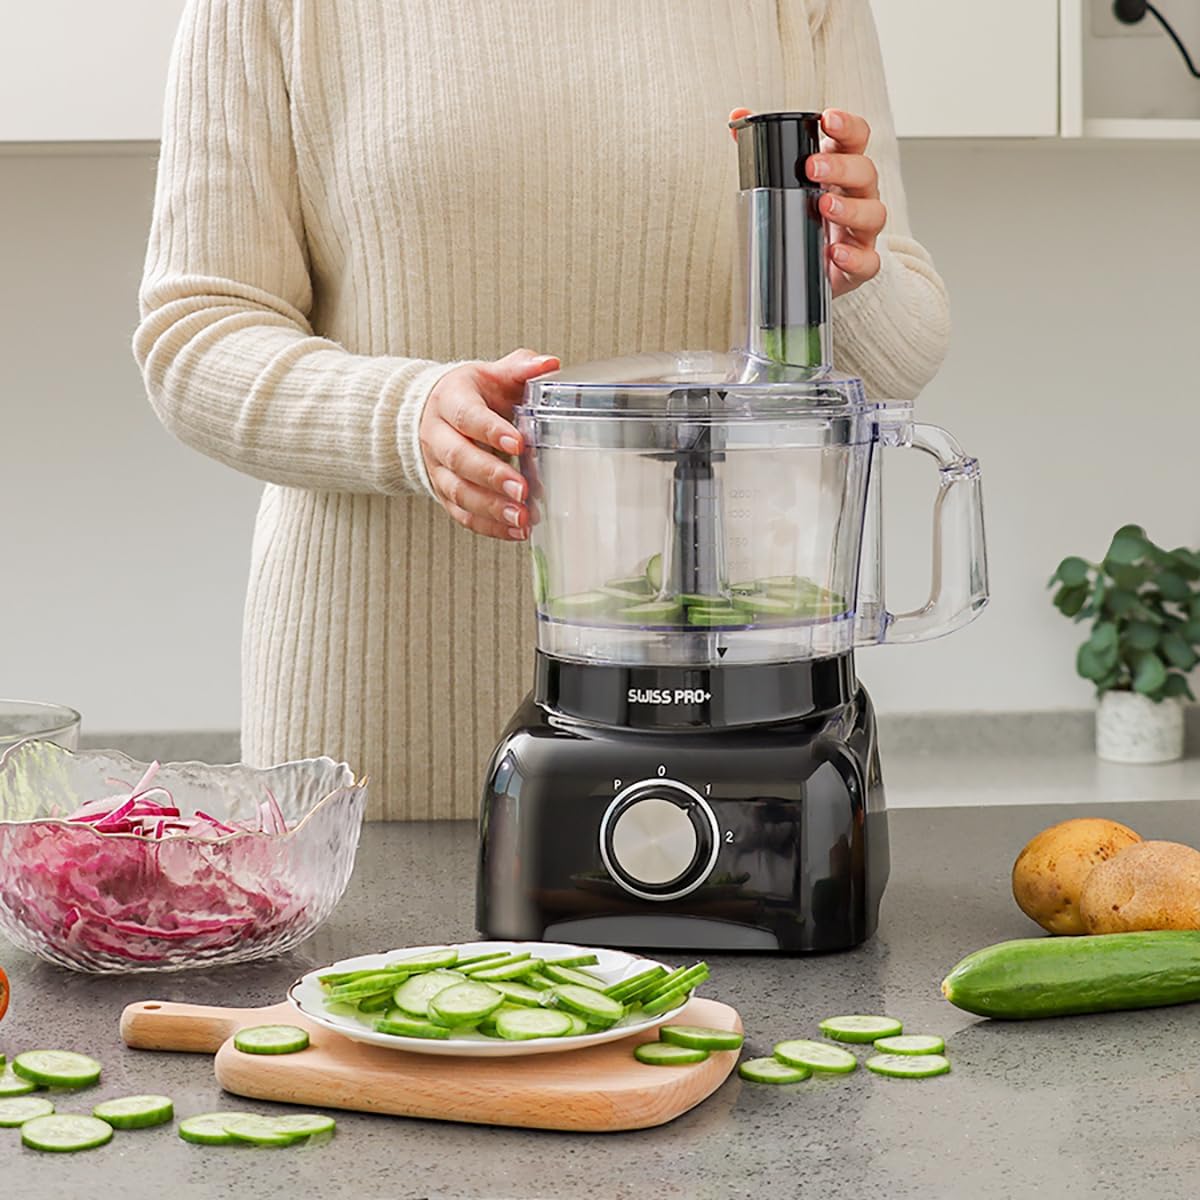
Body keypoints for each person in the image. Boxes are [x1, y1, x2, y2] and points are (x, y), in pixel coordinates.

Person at [134, 0, 949, 821]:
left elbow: (897, 363)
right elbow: (193, 335)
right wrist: (404, 417)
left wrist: (842, 279)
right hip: (378, 734)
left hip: (734, 717)